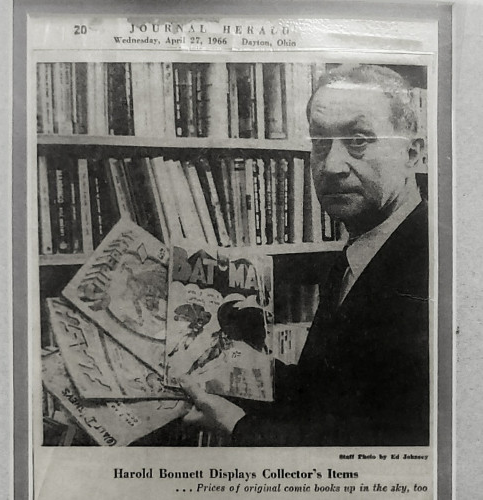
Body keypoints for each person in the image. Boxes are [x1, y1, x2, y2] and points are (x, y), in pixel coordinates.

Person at [180, 64, 430, 446]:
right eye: (320, 143)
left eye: (359, 140)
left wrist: (235, 424)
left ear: (412, 153)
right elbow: (328, 393)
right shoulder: (360, 250)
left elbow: (370, 447)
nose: (331, 165)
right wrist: (235, 364)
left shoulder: (433, 265)